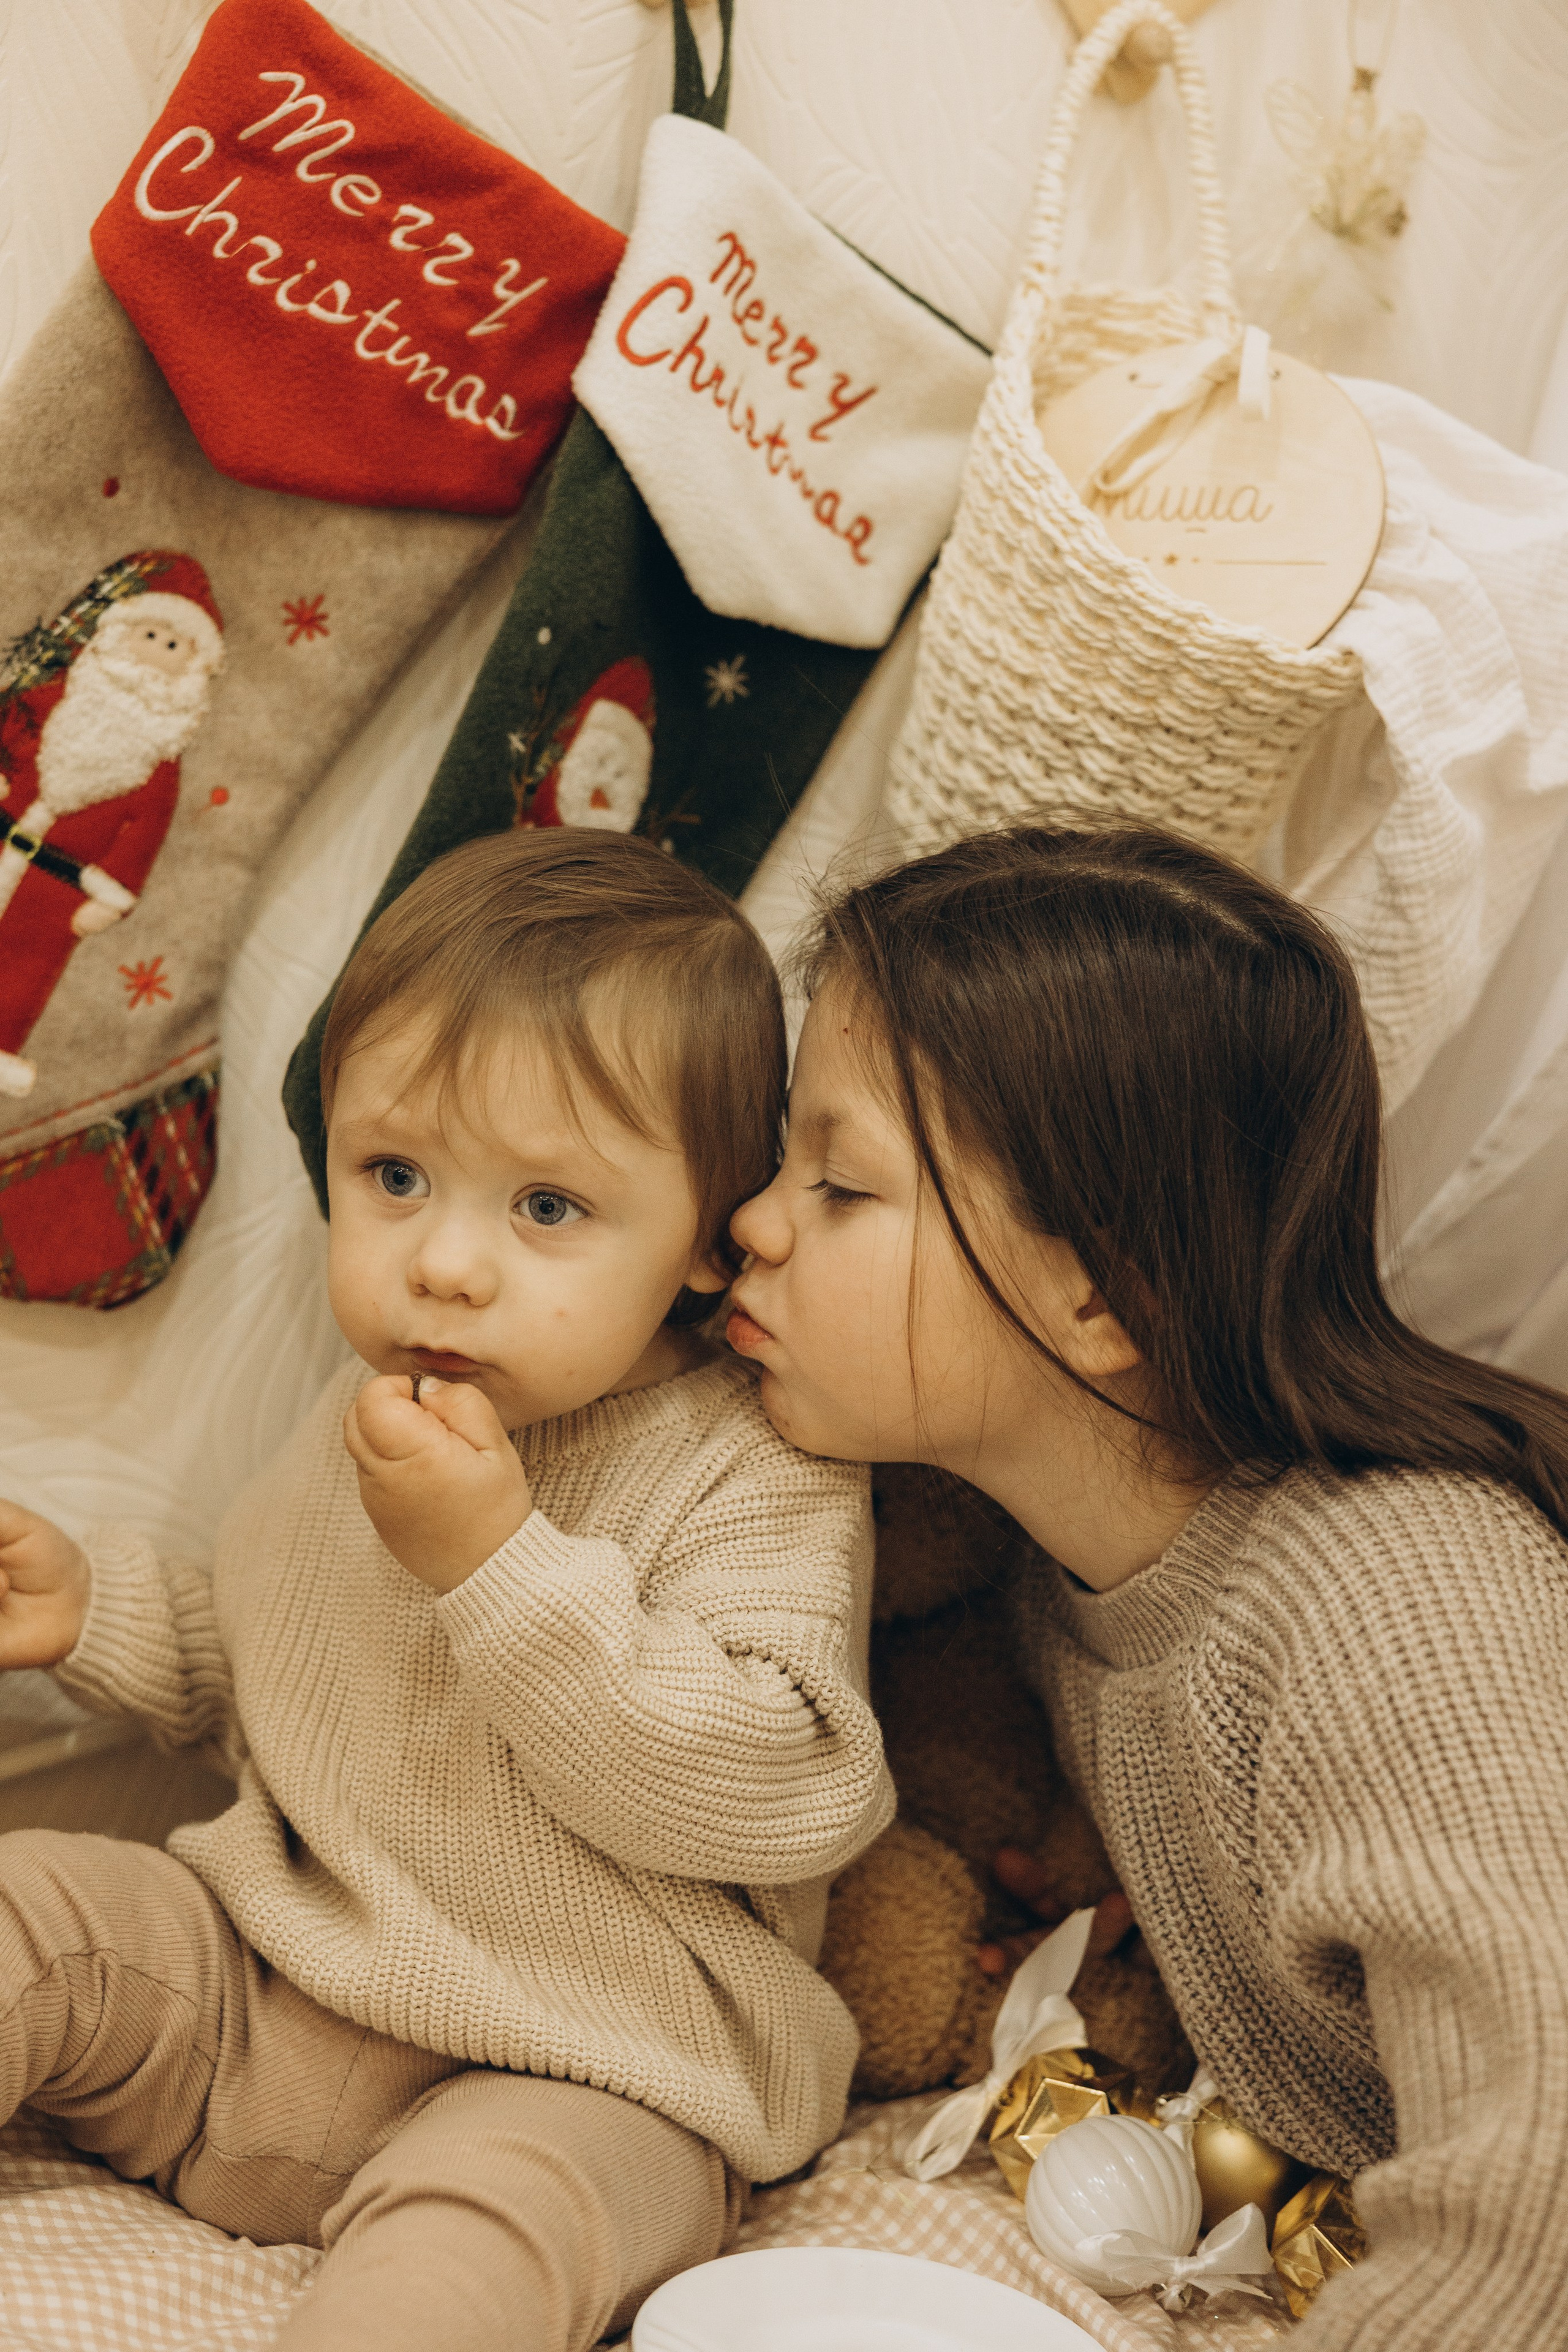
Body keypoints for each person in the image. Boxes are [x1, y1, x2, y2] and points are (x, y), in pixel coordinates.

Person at [0, 827, 893, 2352]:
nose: (445, 1265)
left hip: (584, 2070)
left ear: (704, 1239)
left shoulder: (749, 1465)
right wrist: (99, 1612)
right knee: (35, 1903)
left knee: (489, 2238)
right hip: (258, 1997)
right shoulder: (381, 1407)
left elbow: (783, 1788)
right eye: (396, 1177)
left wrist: (496, 1568)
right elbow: (292, 1672)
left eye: (547, 1208)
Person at [727, 822, 1568, 2350]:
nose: (752, 1224)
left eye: (838, 1184)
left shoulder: (1399, 1604)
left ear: (1102, 1296)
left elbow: (1539, 2201)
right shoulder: (1052, 1570)